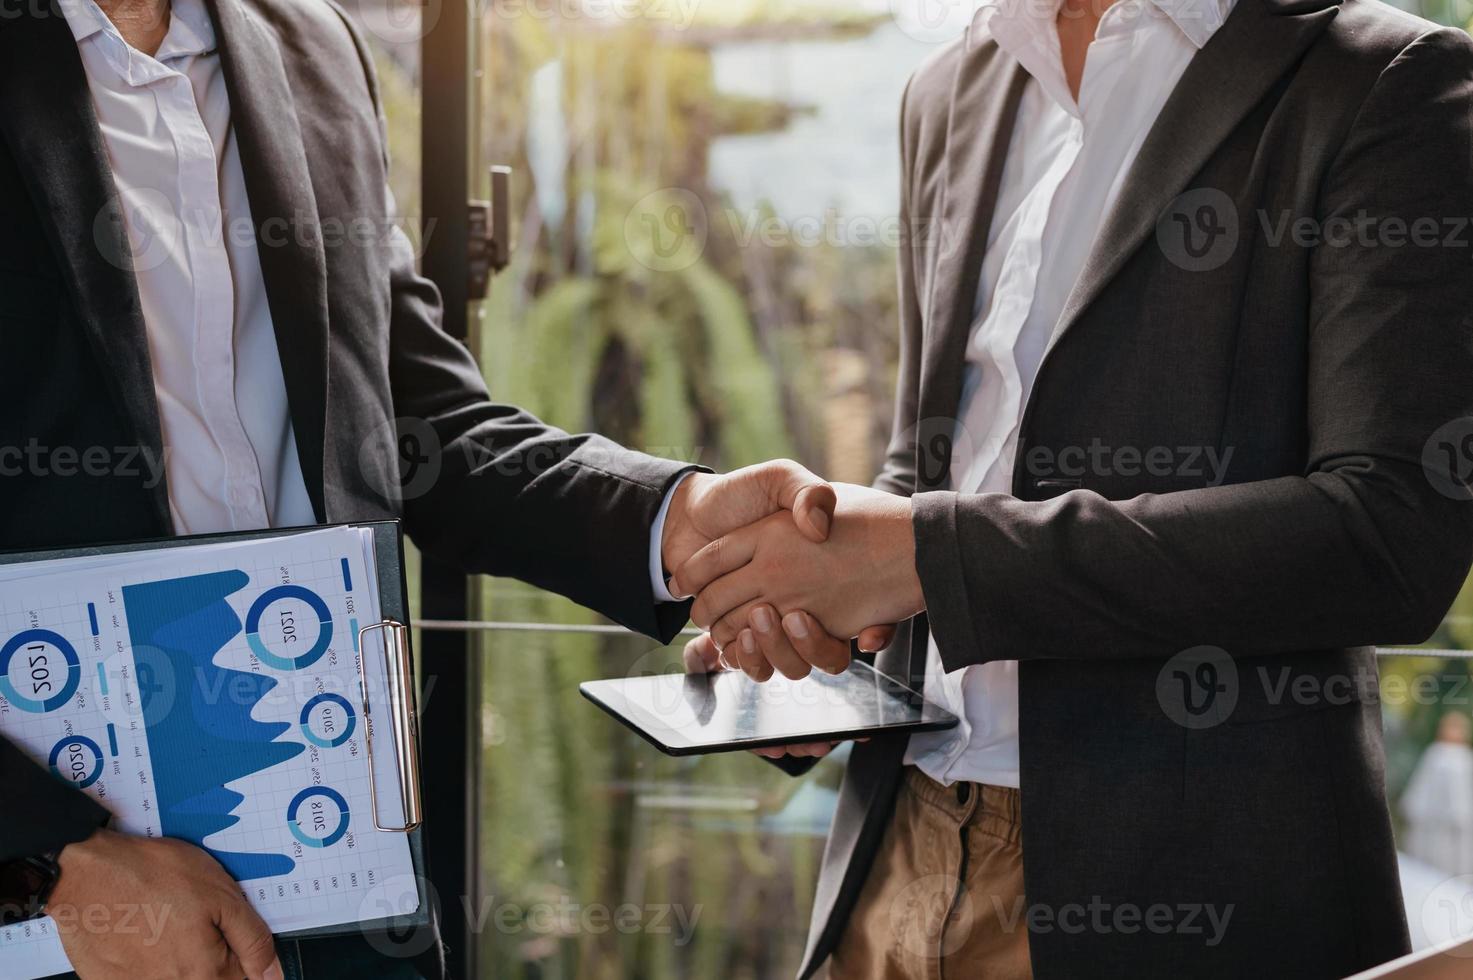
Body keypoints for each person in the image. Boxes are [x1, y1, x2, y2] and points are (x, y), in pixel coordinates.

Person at [0, 0, 842, 976]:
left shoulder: (309, 45)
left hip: (341, 889)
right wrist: (51, 858)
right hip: (57, 913)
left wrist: (682, 521)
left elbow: (418, 425)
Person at [679, 0, 1473, 976]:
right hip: (892, 863)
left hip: (1185, 898)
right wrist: (823, 636)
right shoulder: (950, 84)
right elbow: (937, 466)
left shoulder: (1385, 79)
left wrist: (926, 550)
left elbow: (1386, 534)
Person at [1401, 711, 1473, 877]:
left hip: (1459, 827)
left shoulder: (1465, 757)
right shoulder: (1436, 754)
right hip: (1433, 823)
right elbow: (1421, 786)